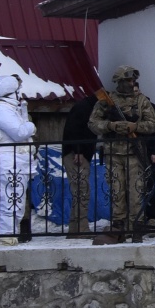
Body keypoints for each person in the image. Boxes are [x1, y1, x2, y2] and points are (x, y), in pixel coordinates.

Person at [89, 66, 155, 244]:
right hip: (113, 153)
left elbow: (153, 124)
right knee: (116, 190)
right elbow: (93, 123)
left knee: (136, 191)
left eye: (133, 80)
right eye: (128, 80)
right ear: (119, 81)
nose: (131, 83)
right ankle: (118, 227)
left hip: (134, 153)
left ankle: (136, 227)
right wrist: (110, 126)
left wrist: (135, 127)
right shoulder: (107, 101)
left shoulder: (141, 101)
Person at [0, 75, 35, 239]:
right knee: (9, 201)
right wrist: (30, 125)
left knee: (15, 200)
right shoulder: (2, 111)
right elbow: (19, 133)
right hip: (8, 162)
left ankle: (9, 235)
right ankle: (6, 236)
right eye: (17, 91)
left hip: (15, 162)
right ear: (11, 93)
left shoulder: (8, 109)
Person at [61, 92, 99, 235]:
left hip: (78, 153)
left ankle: (75, 228)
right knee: (81, 191)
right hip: (76, 155)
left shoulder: (85, 106)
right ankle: (80, 228)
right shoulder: (84, 108)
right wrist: (78, 150)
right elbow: (74, 128)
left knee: (80, 191)